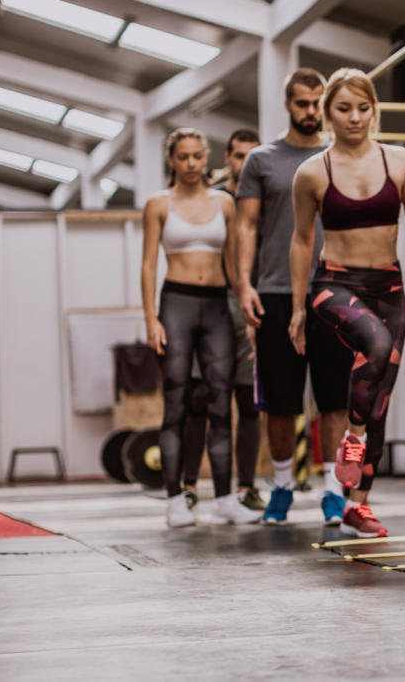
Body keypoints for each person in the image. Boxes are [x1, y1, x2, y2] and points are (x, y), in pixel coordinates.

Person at [290, 68, 405, 538]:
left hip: (388, 288)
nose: (355, 117)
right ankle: (352, 438)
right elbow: (300, 240)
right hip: (333, 284)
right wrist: (299, 308)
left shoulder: (399, 161)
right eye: (343, 109)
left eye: (363, 108)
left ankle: (357, 506)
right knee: (375, 345)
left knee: (378, 400)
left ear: (373, 110)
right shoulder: (312, 172)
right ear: (326, 114)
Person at [235, 69, 354, 525]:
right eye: (302, 103)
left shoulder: (340, 156)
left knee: (336, 402)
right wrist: (245, 284)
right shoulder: (261, 161)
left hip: (335, 289)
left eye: (316, 103)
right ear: (288, 104)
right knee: (281, 402)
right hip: (276, 292)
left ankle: (333, 491)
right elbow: (246, 227)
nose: (309, 111)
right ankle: (282, 487)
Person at [140, 127, 263, 528]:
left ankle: (225, 498)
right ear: (171, 161)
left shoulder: (224, 203)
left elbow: (234, 263)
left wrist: (244, 303)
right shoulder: (159, 204)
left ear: (206, 157)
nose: (191, 164)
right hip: (175, 303)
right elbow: (147, 265)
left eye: (197, 156)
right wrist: (150, 318)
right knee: (176, 403)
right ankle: (176, 498)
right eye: (183, 157)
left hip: (216, 307)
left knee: (220, 402)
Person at [178, 128, 267, 511]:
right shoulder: (209, 198)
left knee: (248, 402)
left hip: (252, 306)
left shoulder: (267, 199)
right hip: (211, 304)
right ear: (227, 158)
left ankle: (246, 487)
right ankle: (189, 486)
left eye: (252, 155)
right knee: (201, 398)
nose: (244, 162)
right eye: (237, 155)